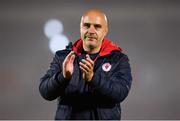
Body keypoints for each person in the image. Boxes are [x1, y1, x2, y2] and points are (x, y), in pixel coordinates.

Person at [39, 9, 132, 120]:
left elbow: (120, 93)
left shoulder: (118, 59)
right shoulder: (63, 57)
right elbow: (45, 92)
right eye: (86, 25)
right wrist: (63, 76)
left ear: (105, 31)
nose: (91, 31)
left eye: (97, 26)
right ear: (80, 28)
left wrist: (93, 78)